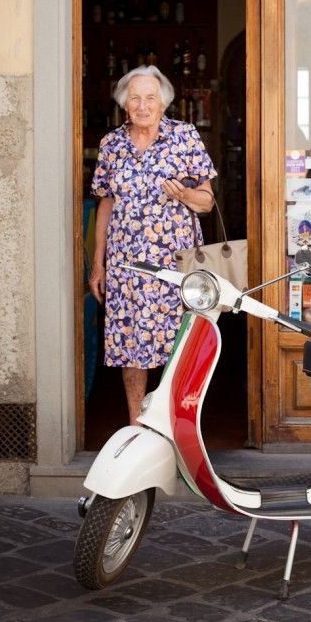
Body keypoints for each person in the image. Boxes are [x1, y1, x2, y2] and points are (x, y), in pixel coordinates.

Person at [88, 65, 216, 424]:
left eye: (150, 98)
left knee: (177, 347)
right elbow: (105, 204)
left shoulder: (184, 136)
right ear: (124, 105)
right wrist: (98, 264)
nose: (143, 105)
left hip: (174, 266)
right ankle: (137, 426)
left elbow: (207, 201)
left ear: (163, 104)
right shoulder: (111, 144)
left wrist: (186, 193)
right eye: (135, 98)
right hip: (126, 264)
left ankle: (173, 423)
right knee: (130, 348)